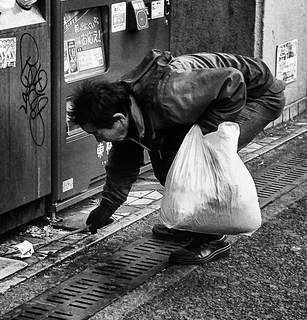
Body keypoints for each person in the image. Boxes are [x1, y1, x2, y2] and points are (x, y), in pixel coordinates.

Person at [68, 49, 286, 265]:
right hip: (225, 96)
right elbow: (124, 164)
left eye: (97, 133)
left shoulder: (166, 98)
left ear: (119, 119)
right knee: (170, 168)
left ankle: (211, 237)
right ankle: (192, 223)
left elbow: (232, 82)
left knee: (194, 167)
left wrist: (202, 136)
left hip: (258, 95)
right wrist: (105, 209)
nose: (99, 140)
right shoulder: (126, 110)